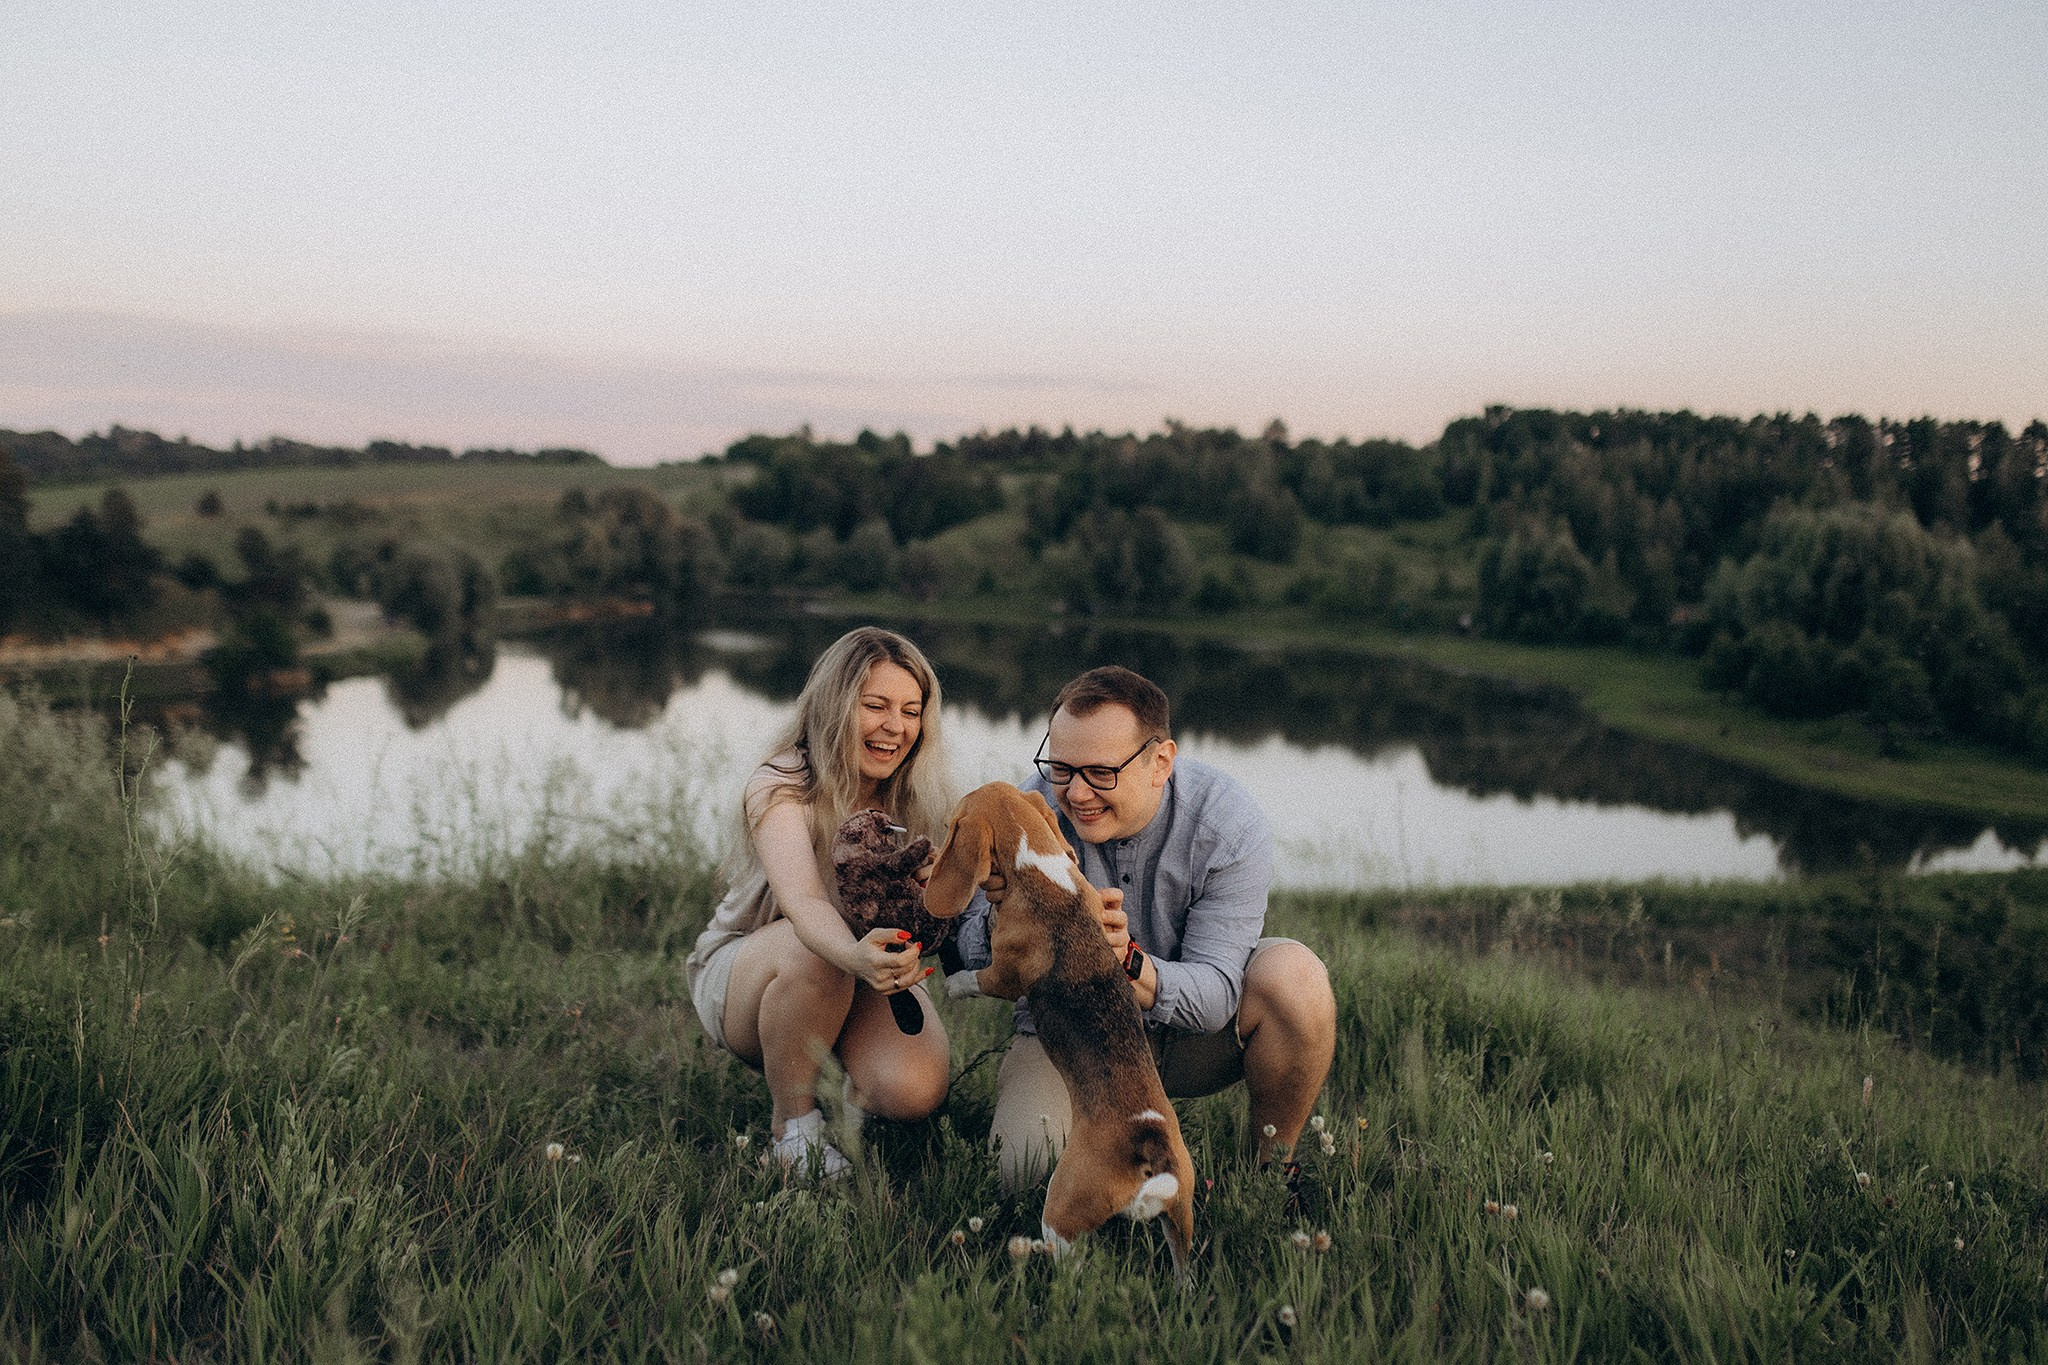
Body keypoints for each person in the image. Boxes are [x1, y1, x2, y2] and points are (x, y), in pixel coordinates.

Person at [945, 665, 1337, 1192]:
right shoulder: (1026, 809)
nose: (1075, 794)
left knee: (1297, 978)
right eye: (1060, 768)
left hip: (1190, 1039)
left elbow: (1220, 993)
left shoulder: (1225, 822)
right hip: (1071, 1038)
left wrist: (1128, 960)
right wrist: (1004, 919)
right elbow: (968, 955)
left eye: (1100, 773)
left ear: (1160, 762)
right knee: (1023, 1174)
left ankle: (1271, 1172)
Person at [685, 627, 956, 1178]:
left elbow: (937, 919)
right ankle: (793, 1128)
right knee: (823, 950)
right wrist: (855, 956)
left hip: (859, 973)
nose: (895, 727)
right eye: (875, 705)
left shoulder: (919, 798)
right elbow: (805, 902)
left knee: (913, 1090)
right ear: (835, 706)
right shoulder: (784, 781)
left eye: (911, 710)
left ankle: (836, 1088)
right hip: (757, 969)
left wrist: (935, 897)